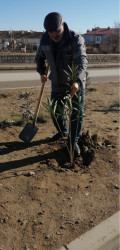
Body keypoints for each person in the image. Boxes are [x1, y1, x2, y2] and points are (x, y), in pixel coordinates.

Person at [35, 12, 88, 157]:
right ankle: (63, 131)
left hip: (74, 83)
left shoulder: (75, 39)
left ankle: (73, 142)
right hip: (57, 81)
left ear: (62, 25)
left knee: (76, 113)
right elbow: (39, 58)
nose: (54, 34)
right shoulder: (45, 40)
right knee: (56, 111)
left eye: (57, 30)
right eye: (50, 32)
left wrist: (77, 81)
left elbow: (81, 62)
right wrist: (41, 72)